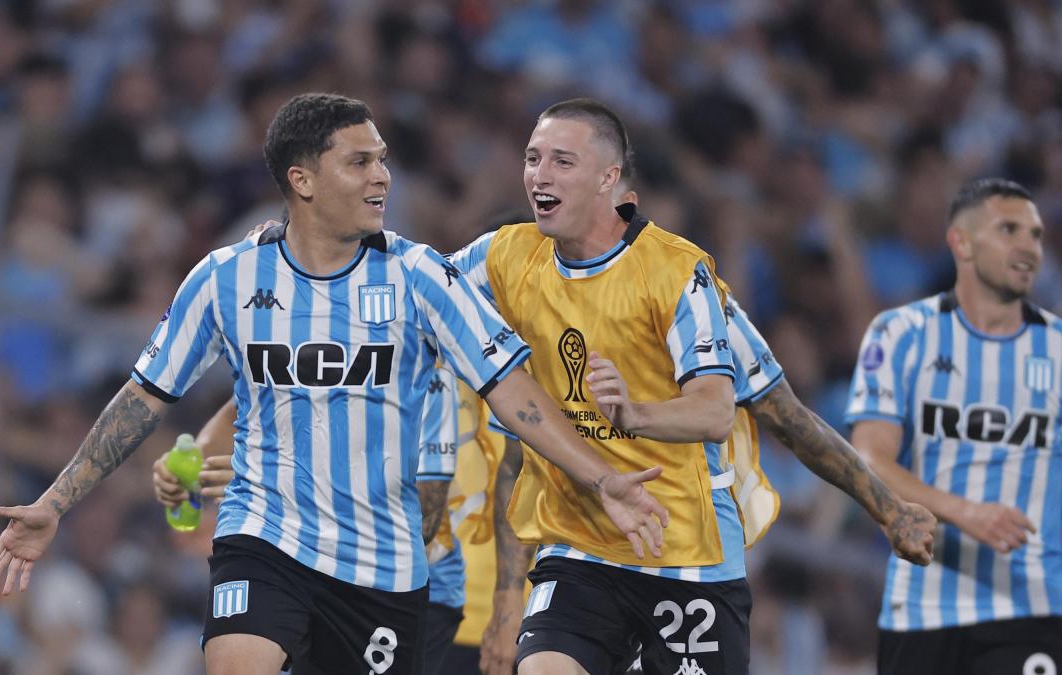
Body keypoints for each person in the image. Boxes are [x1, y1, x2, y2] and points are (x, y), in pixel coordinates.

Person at [0, 93, 668, 675]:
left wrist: (600, 476)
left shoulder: (420, 277)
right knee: (235, 658)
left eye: (384, 160)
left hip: (386, 567)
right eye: (361, 161)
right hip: (267, 535)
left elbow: (515, 393)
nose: (383, 177)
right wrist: (56, 501)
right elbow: (143, 397)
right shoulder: (226, 279)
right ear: (303, 180)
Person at [445, 98, 936, 675]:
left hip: (686, 560)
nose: (540, 174)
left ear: (610, 180)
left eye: (561, 161)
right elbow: (419, 294)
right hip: (581, 550)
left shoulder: (682, 278)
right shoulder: (506, 258)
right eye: (533, 158)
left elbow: (767, 417)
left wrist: (889, 510)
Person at [846, 178, 1062, 674]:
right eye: (1009, 230)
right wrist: (965, 512)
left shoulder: (1056, 349)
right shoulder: (900, 333)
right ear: (961, 242)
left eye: (1035, 234)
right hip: (921, 607)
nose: (1028, 246)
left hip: (1029, 606)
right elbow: (869, 459)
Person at [152, 364, 469, 673]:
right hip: (294, 564)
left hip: (401, 584)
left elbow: (417, 510)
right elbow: (236, 417)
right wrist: (187, 466)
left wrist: (272, 479)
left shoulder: (416, 361)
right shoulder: (300, 342)